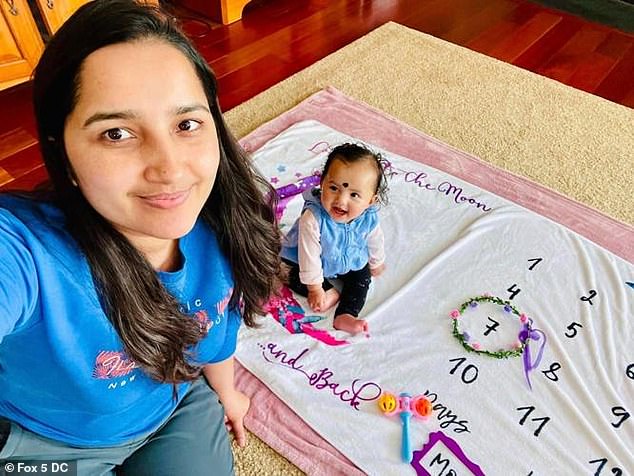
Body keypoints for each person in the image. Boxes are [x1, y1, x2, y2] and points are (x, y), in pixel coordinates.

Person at [0, 1, 281, 474]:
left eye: (186, 124)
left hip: (174, 405)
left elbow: (215, 333)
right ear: (62, 153)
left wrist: (228, 394)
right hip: (43, 445)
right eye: (116, 134)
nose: (170, 169)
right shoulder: (25, 252)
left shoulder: (229, 222)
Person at [281, 143, 388, 335]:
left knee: (362, 279)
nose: (341, 200)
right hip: (310, 260)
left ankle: (345, 315)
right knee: (288, 271)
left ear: (371, 200)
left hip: (350, 258)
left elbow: (375, 240)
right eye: (333, 188)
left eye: (354, 194)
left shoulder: (369, 217)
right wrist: (315, 288)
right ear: (322, 184)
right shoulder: (313, 218)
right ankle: (329, 290)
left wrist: (376, 261)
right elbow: (309, 255)